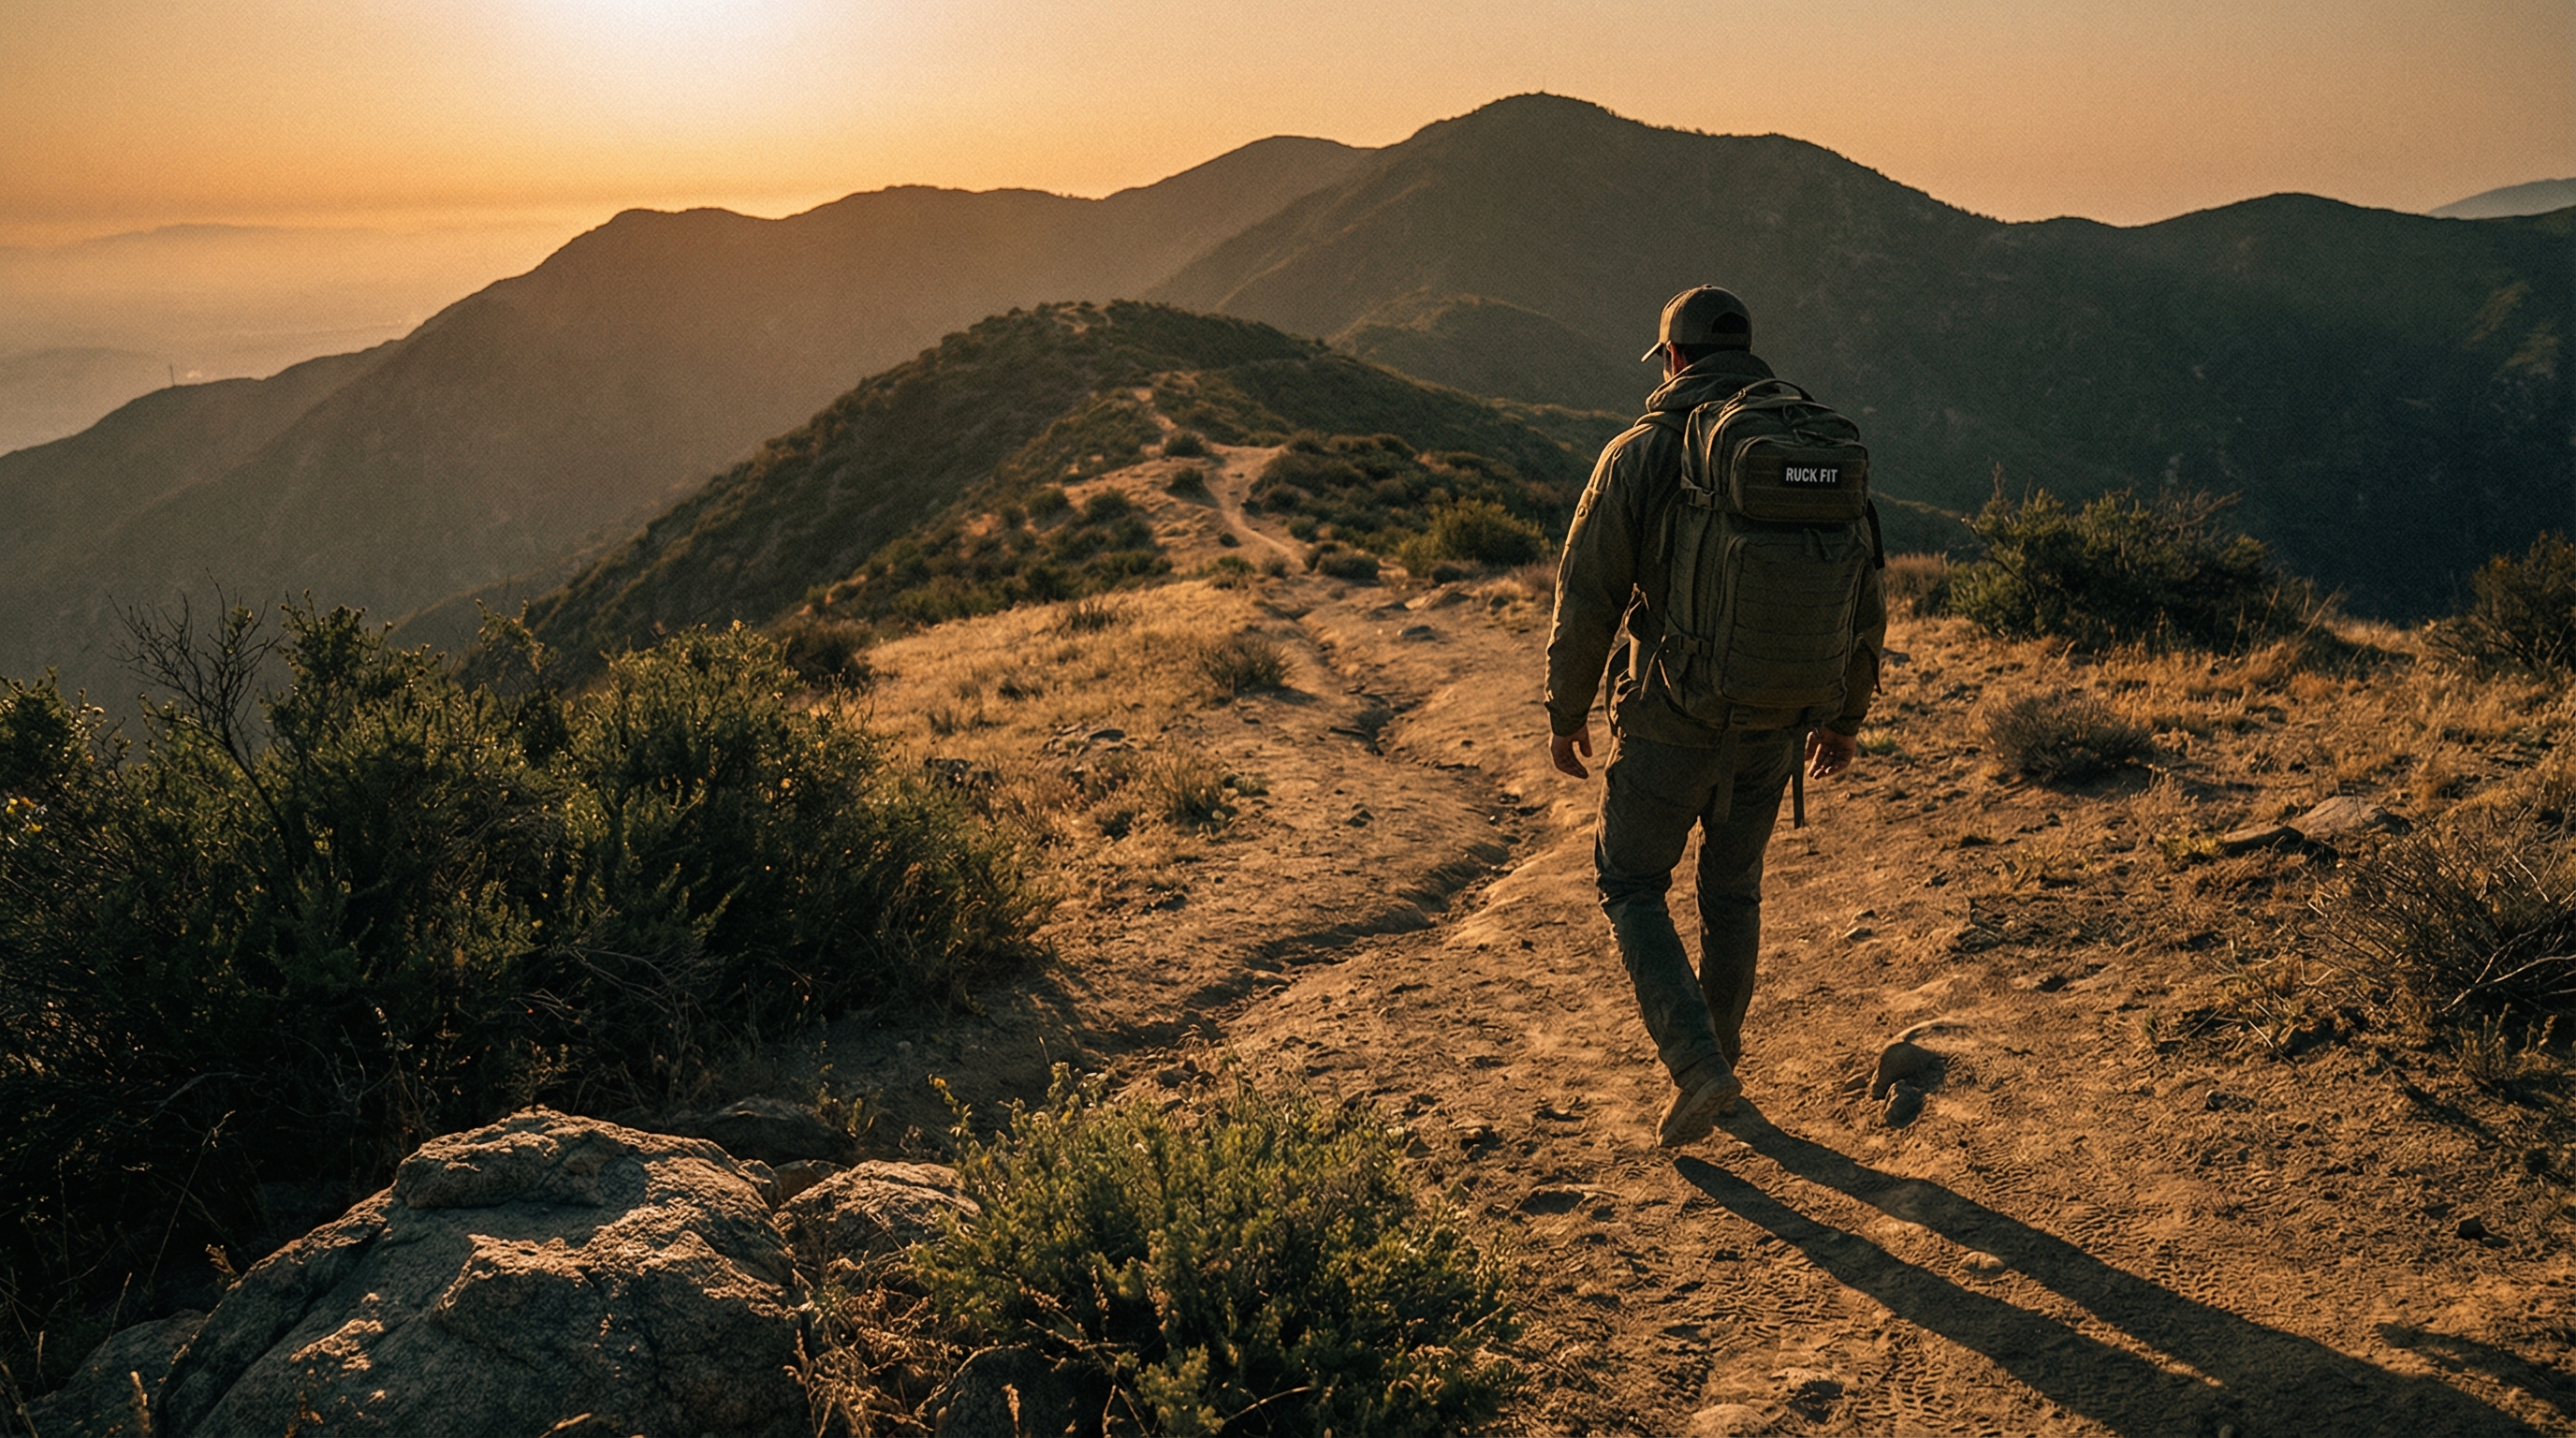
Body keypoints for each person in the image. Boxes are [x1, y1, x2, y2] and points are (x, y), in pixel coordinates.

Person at [1544, 285, 1885, 1148]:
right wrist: (1842, 717)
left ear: (1675, 358)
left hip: (1671, 713)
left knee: (1630, 881)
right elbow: (1864, 588)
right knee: (1731, 889)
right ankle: (1722, 1052)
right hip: (1776, 717)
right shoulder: (1808, 444)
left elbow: (1590, 589)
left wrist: (1565, 707)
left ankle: (1700, 1068)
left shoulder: (1644, 450)